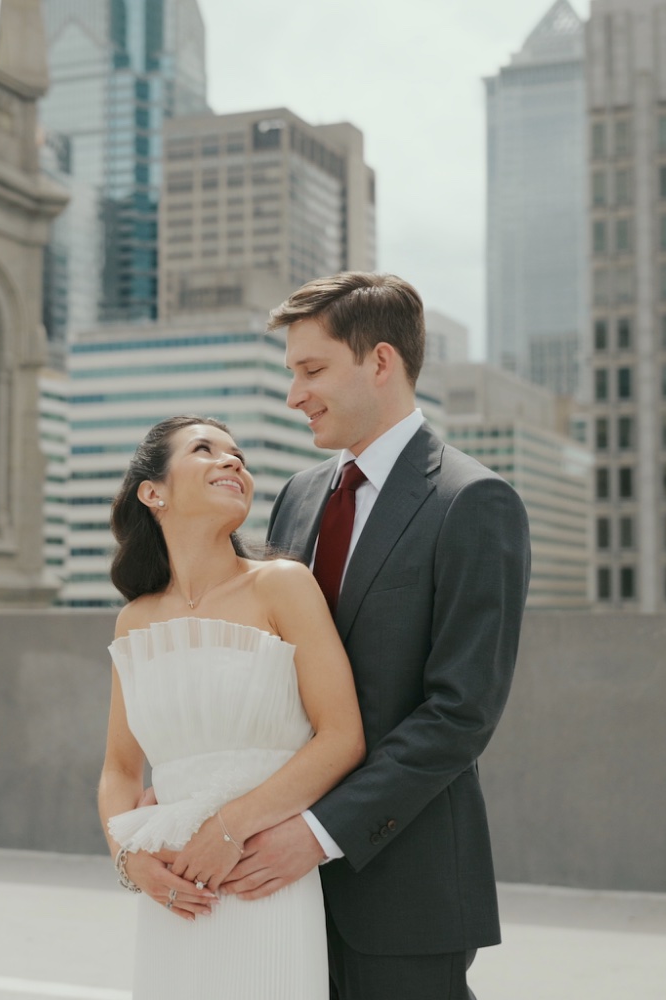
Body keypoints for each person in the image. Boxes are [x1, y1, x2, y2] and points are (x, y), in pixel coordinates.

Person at [226, 272, 531, 999]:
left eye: (311, 370)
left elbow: (460, 714)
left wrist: (320, 832)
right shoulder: (298, 497)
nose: (294, 394)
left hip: (405, 888)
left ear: (382, 363)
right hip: (282, 890)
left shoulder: (474, 502)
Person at [97, 414, 366, 999]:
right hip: (172, 894)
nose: (232, 461)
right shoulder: (135, 619)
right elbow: (120, 768)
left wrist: (228, 830)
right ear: (153, 493)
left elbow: (341, 736)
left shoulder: (283, 585)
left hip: (260, 876)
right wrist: (129, 860)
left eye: (238, 454)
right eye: (205, 449)